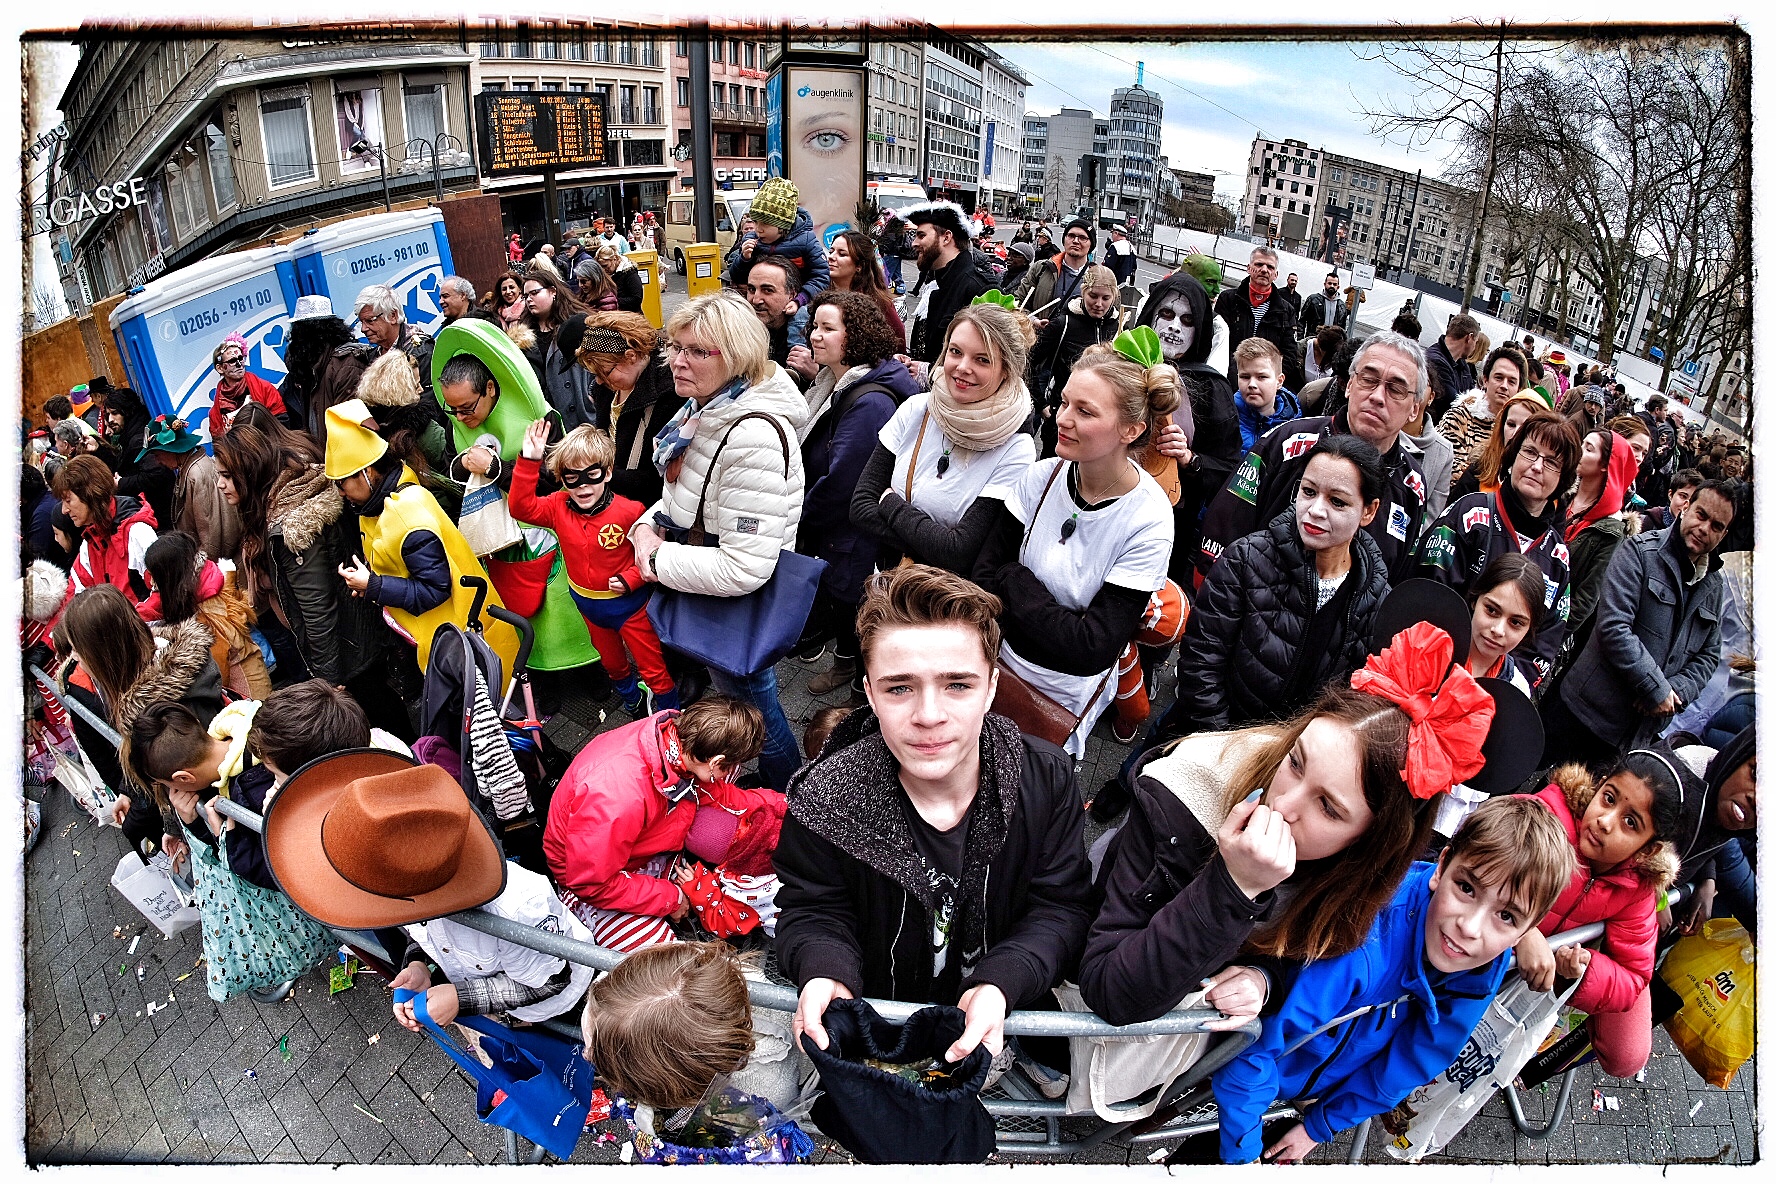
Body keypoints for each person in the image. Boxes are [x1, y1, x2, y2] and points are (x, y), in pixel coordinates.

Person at [1081, 622, 1494, 1028]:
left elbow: (1305, 951)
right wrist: (1233, 888)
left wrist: (1264, 980)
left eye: (1328, 808)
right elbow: (1108, 989)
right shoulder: (1180, 800)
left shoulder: (1359, 883)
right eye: (1295, 763)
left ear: (1371, 842)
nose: (1284, 804)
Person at [774, 565, 1093, 1078]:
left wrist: (1004, 981)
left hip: (990, 1011)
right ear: (869, 693)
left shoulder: (1046, 779)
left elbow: (1060, 905)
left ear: (992, 687)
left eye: (957, 685)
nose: (928, 715)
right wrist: (824, 969)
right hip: (878, 1017)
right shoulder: (823, 799)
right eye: (900, 688)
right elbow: (814, 907)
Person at [1209, 795, 1572, 1164]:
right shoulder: (1365, 942)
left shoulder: (1480, 970)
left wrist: (1319, 1127)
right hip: (1239, 1073)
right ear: (1441, 867)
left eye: (1507, 916)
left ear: (1527, 931)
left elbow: (1408, 1067)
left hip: (1302, 1085)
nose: (1470, 927)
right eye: (1466, 888)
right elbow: (1250, 1047)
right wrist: (1245, 1158)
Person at [627, 292, 810, 791]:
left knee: (756, 710)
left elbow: (745, 567)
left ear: (736, 356)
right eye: (675, 347)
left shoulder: (751, 436)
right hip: (710, 591)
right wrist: (647, 523)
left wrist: (655, 557)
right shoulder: (702, 411)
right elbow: (686, 496)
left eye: (697, 351)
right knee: (747, 699)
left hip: (735, 605)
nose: (677, 361)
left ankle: (787, 794)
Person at [971, 339, 1179, 757]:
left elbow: (1091, 649)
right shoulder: (1041, 477)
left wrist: (1013, 578)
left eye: (1085, 411)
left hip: (1062, 695)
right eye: (1065, 402)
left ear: (1131, 430)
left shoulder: (1149, 519)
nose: (1063, 418)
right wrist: (1059, 620)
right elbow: (981, 578)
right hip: (995, 661)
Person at [1159, 435, 1390, 739]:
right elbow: (1201, 661)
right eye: (1308, 492)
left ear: (1369, 511)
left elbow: (1356, 704)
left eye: (1337, 501)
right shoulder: (1246, 560)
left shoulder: (1376, 601)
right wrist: (1225, 743)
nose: (1315, 510)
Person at [214, 419, 405, 737]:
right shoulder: (279, 501)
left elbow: (318, 609)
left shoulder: (293, 525)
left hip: (348, 651)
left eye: (226, 476)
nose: (220, 485)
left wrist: (328, 678)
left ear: (249, 472)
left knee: (379, 724)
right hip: (351, 644)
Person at [1198, 330, 1431, 586]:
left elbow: (1399, 581)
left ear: (1415, 409)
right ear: (1349, 385)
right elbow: (1222, 533)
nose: (1377, 397)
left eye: (1395, 389)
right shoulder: (1286, 443)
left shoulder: (1412, 486)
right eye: (1368, 380)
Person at [543, 697, 771, 949]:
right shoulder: (615, 798)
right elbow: (591, 883)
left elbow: (721, 795)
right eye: (726, 768)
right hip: (591, 879)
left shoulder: (678, 739)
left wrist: (777, 807)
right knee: (659, 952)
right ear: (716, 762)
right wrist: (672, 899)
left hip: (636, 846)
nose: (728, 773)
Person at [1514, 751, 1683, 1080]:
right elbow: (1472, 860)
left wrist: (1582, 970)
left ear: (1648, 849)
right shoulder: (1543, 817)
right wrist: (1522, 929)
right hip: (1488, 948)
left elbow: (1634, 976)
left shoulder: (1638, 887)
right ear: (1598, 787)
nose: (1605, 821)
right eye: (1608, 799)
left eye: (1630, 822)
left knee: (1628, 1054)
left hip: (1542, 979)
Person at [323, 398, 521, 676]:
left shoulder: (405, 514)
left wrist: (375, 585)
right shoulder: (378, 506)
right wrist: (368, 582)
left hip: (466, 648)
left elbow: (436, 589)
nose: (340, 493)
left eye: (341, 483)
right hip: (448, 642)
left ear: (367, 472)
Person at [1542, 480, 1735, 765]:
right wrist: (1656, 688)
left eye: (1716, 526)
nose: (1704, 528)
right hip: (1584, 712)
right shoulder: (1641, 552)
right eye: (1701, 515)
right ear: (1686, 508)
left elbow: (1708, 656)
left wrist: (1674, 692)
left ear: (1724, 534)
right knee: (1527, 781)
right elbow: (1614, 626)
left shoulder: (1714, 586)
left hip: (1634, 735)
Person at [793, 291, 921, 699]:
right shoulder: (834, 381)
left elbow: (843, 484)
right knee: (846, 605)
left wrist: (800, 516)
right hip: (839, 531)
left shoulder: (869, 403)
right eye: (815, 325)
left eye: (828, 328)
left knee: (859, 608)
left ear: (856, 336)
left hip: (851, 533)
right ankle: (845, 664)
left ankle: (862, 697)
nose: (815, 335)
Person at [849, 302, 1037, 575]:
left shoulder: (1016, 447)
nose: (962, 367)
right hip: (886, 581)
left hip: (942, 595)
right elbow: (860, 506)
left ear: (1007, 369)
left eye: (982, 360)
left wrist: (889, 502)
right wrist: (933, 541)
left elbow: (959, 552)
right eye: (955, 352)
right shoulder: (917, 409)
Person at [510, 420, 677, 715]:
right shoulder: (558, 506)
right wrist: (529, 461)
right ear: (562, 479)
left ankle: (671, 717)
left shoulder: (631, 511)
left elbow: (653, 555)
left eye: (592, 474)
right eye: (572, 477)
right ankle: (634, 703)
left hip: (630, 608)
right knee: (613, 664)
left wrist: (631, 578)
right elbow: (520, 508)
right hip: (589, 608)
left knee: (653, 667)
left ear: (607, 472)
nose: (583, 485)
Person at [56, 585, 225, 868]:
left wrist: (184, 824)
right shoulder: (147, 685)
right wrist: (130, 791)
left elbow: (188, 781)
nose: (74, 659)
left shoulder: (163, 713)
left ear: (102, 652)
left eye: (77, 649)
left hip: (220, 817)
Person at [1415, 410, 1579, 691]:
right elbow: (1429, 593)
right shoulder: (1470, 514)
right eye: (1530, 452)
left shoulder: (1558, 558)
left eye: (1552, 462)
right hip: (1430, 671)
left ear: (1564, 478)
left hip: (1492, 696)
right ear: (1513, 455)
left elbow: (1545, 643)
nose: (1537, 466)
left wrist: (1501, 688)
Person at [390, 859, 596, 1034]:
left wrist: (461, 999)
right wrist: (419, 964)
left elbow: (551, 981)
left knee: (575, 1043)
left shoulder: (516, 908)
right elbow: (423, 931)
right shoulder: (404, 892)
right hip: (507, 1004)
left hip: (565, 1001)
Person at [1132, 272, 1241, 577]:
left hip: (1168, 523)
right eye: (1166, 314)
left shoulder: (1211, 388)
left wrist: (1190, 459)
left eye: (1188, 320)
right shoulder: (1121, 367)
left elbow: (1228, 467)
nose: (1174, 327)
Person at [140, 531, 271, 700]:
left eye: (155, 576)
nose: (152, 583)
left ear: (171, 574)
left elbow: (218, 670)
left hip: (245, 693)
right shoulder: (205, 583)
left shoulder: (207, 612)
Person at [1559, 429, 1644, 674]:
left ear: (1606, 465)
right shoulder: (1560, 495)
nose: (1579, 452)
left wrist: (1546, 634)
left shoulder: (1612, 532)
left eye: (1588, 449)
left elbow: (1586, 599)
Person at [577, 311, 681, 510]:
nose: (598, 381)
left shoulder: (669, 394)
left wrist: (601, 476)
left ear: (631, 356)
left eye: (604, 372)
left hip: (645, 510)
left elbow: (658, 477)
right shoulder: (607, 388)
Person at [1669, 726, 1756, 936]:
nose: (1757, 799)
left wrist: (1708, 877)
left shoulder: (1725, 816)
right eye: (1755, 774)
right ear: (1738, 754)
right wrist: (1653, 898)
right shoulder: (1668, 782)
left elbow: (1706, 832)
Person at [1030, 265, 1124, 454]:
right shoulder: (1063, 324)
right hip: (1062, 417)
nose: (1099, 304)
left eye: (1106, 298)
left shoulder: (1119, 326)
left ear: (1114, 297)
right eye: (1093, 296)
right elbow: (1028, 363)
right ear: (1083, 292)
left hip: (1100, 423)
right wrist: (1042, 405)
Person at [53, 453, 159, 606]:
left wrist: (129, 620)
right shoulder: (90, 541)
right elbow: (75, 597)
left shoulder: (137, 533)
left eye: (68, 500)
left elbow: (162, 594)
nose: (64, 510)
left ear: (90, 493)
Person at [136, 413, 241, 562]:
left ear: (170, 449)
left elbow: (210, 537)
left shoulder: (196, 474)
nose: (157, 461)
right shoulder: (189, 469)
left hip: (217, 565)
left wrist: (199, 568)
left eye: (157, 455)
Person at [901, 201, 993, 371]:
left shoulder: (978, 288)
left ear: (946, 237)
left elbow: (987, 364)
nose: (914, 243)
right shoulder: (938, 283)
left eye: (921, 235)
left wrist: (928, 371)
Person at [282, 295, 374, 446]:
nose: (298, 341)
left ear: (318, 333)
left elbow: (350, 428)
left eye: (302, 333)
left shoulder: (346, 364)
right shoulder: (310, 367)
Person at [726, 177, 831, 307]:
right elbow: (736, 276)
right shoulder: (751, 240)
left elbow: (821, 276)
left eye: (765, 224)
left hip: (797, 302)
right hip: (760, 302)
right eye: (756, 222)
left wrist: (801, 299)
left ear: (783, 226)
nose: (758, 229)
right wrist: (744, 259)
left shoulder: (807, 242)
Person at [1438, 345, 1530, 483]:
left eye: (1511, 381)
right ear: (1486, 380)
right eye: (1499, 378)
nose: (1504, 386)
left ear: (1519, 389)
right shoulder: (1458, 418)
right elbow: (1449, 473)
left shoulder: (1521, 430)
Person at [1215, 247, 1302, 390]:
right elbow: (1219, 343)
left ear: (1275, 274)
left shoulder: (1287, 311)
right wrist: (1238, 376)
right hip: (1229, 381)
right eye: (1259, 264)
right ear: (1249, 268)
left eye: (1270, 267)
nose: (1264, 270)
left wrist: (1267, 380)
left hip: (1264, 387)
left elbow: (1289, 354)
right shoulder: (1228, 299)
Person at [1463, 553, 1546, 696]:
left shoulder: (1517, 691)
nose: (1498, 630)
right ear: (1475, 601)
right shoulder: (1430, 649)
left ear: (1529, 629)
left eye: (1515, 622)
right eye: (1491, 610)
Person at [1448, 390, 1545, 502]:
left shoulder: (1551, 486)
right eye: (1511, 425)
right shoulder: (1478, 471)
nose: (1515, 434)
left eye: (1525, 427)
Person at [355, 284, 437, 416]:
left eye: (370, 321)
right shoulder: (371, 356)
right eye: (361, 322)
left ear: (393, 316)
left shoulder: (422, 351)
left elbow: (429, 406)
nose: (363, 329)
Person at [740, 256, 815, 384]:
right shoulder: (737, 332)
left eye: (767, 290)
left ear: (792, 295)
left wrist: (816, 375)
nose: (756, 300)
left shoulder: (816, 335)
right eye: (752, 289)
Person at [826, 229, 906, 346]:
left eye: (842, 254)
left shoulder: (878, 303)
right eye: (831, 251)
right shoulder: (820, 295)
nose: (831, 257)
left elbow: (898, 343)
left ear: (859, 265)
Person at [205, 334, 289, 440]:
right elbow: (218, 443)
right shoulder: (216, 413)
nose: (239, 364)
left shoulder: (265, 388)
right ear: (220, 368)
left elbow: (282, 421)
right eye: (232, 361)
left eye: (240, 358)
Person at [1017, 218, 1095, 329]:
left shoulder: (1099, 278)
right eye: (1071, 236)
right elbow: (1018, 303)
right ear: (1064, 239)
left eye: (1083, 238)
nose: (1076, 241)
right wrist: (1034, 321)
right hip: (1040, 337)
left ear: (1091, 244)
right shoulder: (1041, 268)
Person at [1232, 338, 1303, 453]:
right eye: (1245, 377)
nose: (1252, 384)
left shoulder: (1294, 425)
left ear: (1279, 381)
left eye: (1262, 377)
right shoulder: (1226, 418)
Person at [1424, 313, 1480, 419]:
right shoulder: (1435, 360)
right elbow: (1452, 402)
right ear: (1469, 338)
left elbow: (1473, 396)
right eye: (1476, 342)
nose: (1475, 347)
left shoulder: (1462, 365)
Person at [1640, 468, 1703, 532]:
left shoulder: (1694, 533)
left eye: (1693, 500)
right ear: (1670, 494)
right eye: (1683, 496)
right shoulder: (1648, 522)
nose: (1686, 505)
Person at [1299, 272, 1353, 338]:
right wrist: (1300, 339)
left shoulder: (1341, 306)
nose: (1332, 286)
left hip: (1332, 342)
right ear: (1325, 284)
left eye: (1334, 284)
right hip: (1314, 340)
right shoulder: (1313, 300)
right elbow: (1302, 321)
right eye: (1329, 283)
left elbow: (1342, 329)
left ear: (1338, 287)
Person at [595, 243, 646, 314]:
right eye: (601, 267)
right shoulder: (608, 274)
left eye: (605, 266)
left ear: (614, 259)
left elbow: (637, 298)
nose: (603, 270)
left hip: (631, 315)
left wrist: (612, 301)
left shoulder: (629, 273)